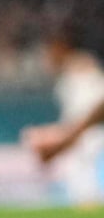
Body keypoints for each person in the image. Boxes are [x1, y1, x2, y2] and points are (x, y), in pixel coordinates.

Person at [23, 26, 104, 199]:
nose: (46, 58)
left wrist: (62, 139)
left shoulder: (79, 69)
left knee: (84, 183)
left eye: (48, 51)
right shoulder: (76, 69)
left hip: (90, 138)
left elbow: (87, 110)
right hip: (86, 134)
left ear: (60, 47)